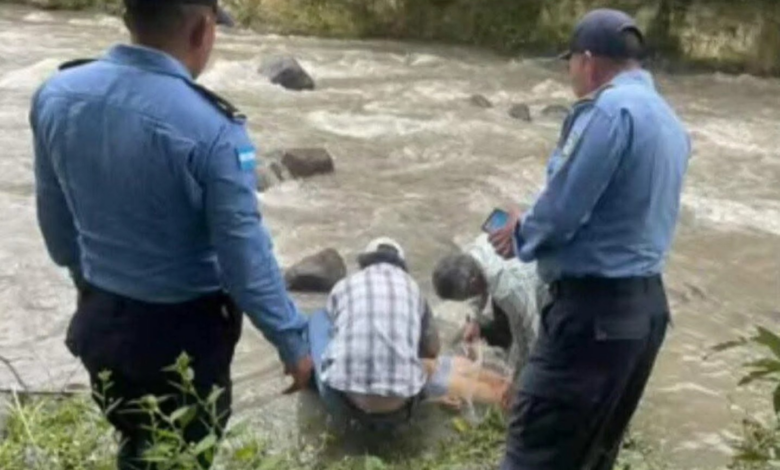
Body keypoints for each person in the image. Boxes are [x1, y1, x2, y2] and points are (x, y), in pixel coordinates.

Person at [29, 1, 311, 468]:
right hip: (185, 342)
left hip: (100, 327)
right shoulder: (218, 132)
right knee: (179, 455)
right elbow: (245, 261)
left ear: (129, 19)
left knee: (140, 446)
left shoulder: (55, 95)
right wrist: (294, 344)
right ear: (203, 29)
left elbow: (57, 230)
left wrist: (93, 286)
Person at [488, 9, 691, 470]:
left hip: (592, 316)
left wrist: (519, 231)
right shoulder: (669, 120)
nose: (570, 75)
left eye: (570, 64)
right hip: (646, 314)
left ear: (588, 61)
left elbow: (561, 212)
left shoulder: (608, 112)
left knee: (535, 451)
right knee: (591, 456)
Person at [308, 237, 443, 431]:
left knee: (319, 319)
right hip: (402, 407)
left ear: (365, 262)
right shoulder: (413, 289)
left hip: (347, 403)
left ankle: (320, 390)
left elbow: (336, 330)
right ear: (401, 265)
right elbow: (432, 350)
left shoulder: (345, 285)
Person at [432, 233, 546, 376]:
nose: (471, 298)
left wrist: (515, 374)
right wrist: (474, 320)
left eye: (468, 295)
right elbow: (479, 291)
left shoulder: (508, 290)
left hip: (548, 283)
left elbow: (529, 335)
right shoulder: (477, 248)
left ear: (474, 283)